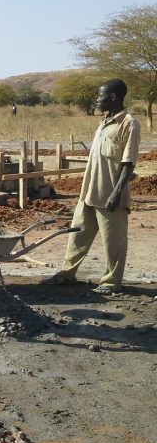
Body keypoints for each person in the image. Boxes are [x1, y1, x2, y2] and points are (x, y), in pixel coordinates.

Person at [41, 78, 140, 295]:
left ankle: (111, 281)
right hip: (88, 192)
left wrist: (117, 192)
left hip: (110, 194)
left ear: (113, 97)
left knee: (113, 242)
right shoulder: (104, 122)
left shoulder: (128, 123)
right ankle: (66, 273)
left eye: (100, 96)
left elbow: (128, 163)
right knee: (77, 235)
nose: (96, 100)